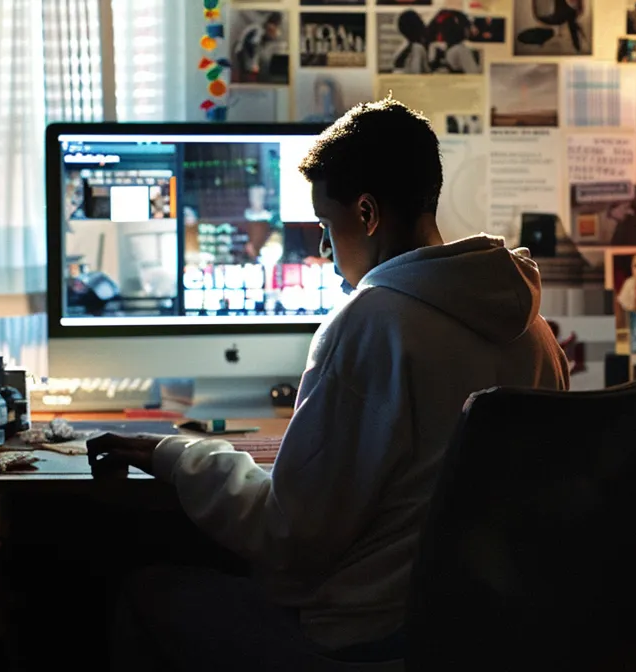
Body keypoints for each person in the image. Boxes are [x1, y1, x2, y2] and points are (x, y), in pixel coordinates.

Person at [98, 99, 569, 670]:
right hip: (489, 633)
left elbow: (289, 535)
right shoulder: (534, 330)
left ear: (367, 213)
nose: (324, 249)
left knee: (141, 592)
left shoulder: (373, 322)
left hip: (364, 639)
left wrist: (178, 456)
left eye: (327, 225)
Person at [235, 12, 285, 82]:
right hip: (243, 51)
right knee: (248, 73)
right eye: (275, 25)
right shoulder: (258, 30)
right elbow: (252, 47)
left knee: (251, 71)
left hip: (244, 50)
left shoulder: (260, 30)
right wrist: (253, 64)